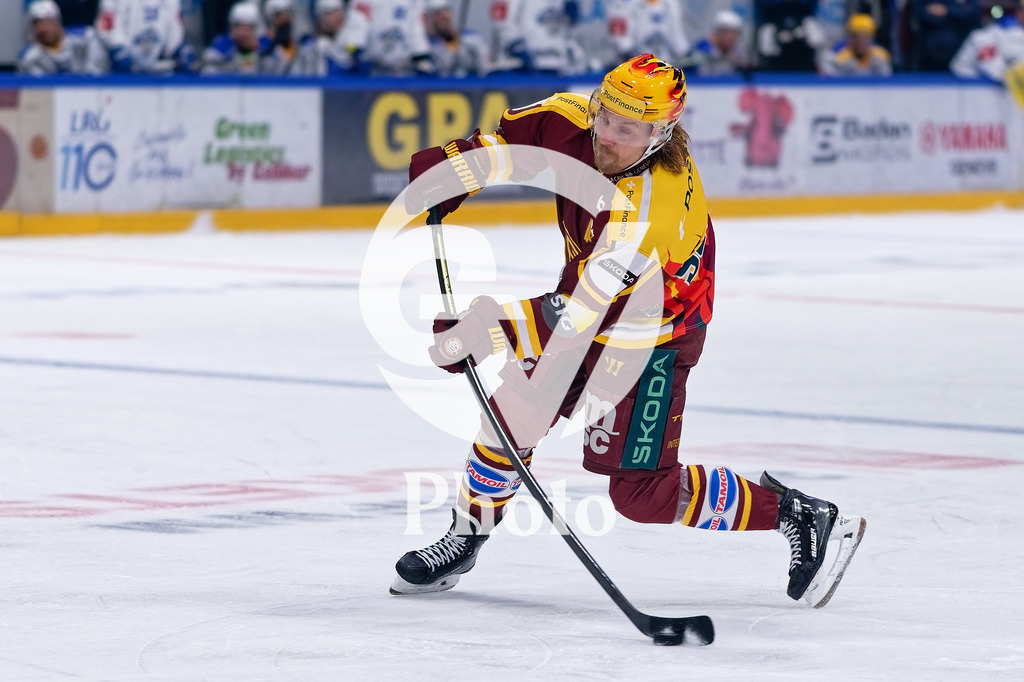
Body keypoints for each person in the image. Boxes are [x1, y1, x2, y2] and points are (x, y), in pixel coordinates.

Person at [391, 54, 867, 608]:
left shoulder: (647, 213)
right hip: (589, 302)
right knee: (509, 417)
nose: (605, 135)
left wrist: (488, 328)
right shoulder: (573, 117)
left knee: (643, 494)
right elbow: (507, 144)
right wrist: (456, 171)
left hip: (653, 332)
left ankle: (797, 514)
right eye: (605, 114)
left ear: (660, 134)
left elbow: (581, 314)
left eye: (626, 128)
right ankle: (466, 537)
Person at [95, 0, 197, 74]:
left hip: (154, 74)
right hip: (114, 75)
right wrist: (118, 49)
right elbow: (106, 30)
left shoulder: (170, 2)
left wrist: (179, 50)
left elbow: (174, 37)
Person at [489, 0, 586, 74]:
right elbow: (504, 26)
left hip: (558, 67)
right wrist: (517, 48)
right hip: (523, 70)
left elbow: (567, 32)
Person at [342, 0, 436, 76]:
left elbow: (416, 26)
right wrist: (356, 50)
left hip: (406, 67)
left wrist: (421, 55)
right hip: (374, 67)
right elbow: (358, 21)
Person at [18, 0, 108, 75]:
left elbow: (98, 72)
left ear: (59, 23)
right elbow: (41, 88)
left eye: (49, 22)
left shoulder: (85, 38)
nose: (45, 28)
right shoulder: (29, 58)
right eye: (39, 23)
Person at [950, 1, 1024, 80]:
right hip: (966, 86)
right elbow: (992, 68)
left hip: (1003, 87)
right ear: (1019, 11)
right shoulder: (991, 33)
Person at [606, 0, 690, 69]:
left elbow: (678, 38)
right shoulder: (623, 4)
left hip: (666, 65)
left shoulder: (670, 4)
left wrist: (686, 54)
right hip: (635, 66)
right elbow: (621, 42)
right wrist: (637, 58)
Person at [200, 1, 277, 75]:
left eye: (249, 27)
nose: (243, 33)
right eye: (239, 26)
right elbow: (207, 71)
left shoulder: (266, 45)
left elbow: (280, 70)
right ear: (231, 27)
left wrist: (256, 52)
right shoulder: (221, 45)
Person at [909, 0, 982, 71]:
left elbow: (972, 15)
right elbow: (922, 13)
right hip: (931, 54)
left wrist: (948, 10)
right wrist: (958, 14)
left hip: (965, 52)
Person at [755, 0, 827, 71]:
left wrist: (801, 36)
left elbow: (818, 41)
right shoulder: (772, 12)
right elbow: (765, 49)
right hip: (777, 67)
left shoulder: (805, 11)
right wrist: (778, 38)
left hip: (805, 66)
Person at [425, 0, 490, 77]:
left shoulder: (471, 37)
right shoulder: (426, 45)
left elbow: (486, 63)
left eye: (447, 12)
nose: (445, 17)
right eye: (439, 14)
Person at [821, 12, 893, 75]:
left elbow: (888, 84)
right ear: (849, 37)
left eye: (865, 36)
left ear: (871, 38)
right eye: (856, 36)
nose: (860, 41)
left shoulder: (880, 57)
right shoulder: (838, 56)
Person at [686, 8, 751, 75]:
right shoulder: (701, 49)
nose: (732, 38)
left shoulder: (736, 53)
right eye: (727, 32)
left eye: (735, 33)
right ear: (717, 33)